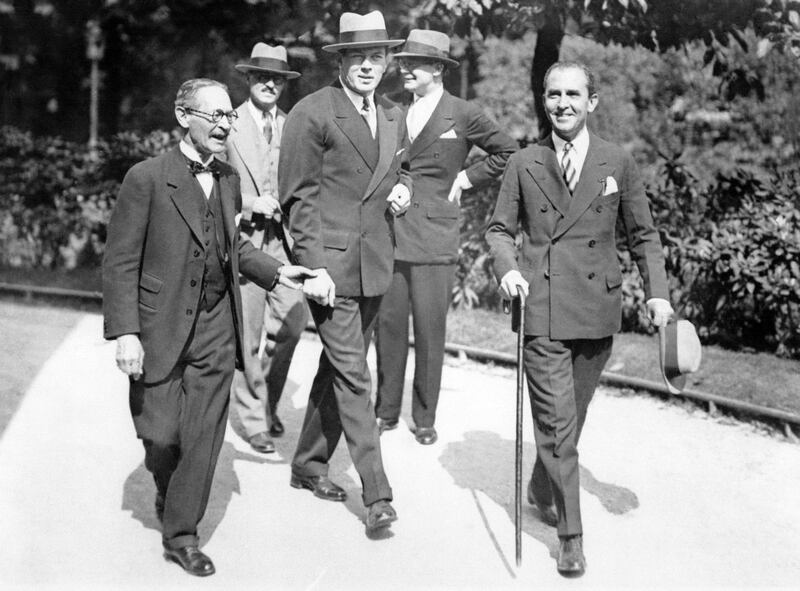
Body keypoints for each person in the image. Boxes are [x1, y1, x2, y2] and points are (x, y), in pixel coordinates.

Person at [103, 78, 314, 577]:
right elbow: (120, 261)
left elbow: (231, 246)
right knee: (160, 435)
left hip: (217, 326)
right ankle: (167, 486)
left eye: (228, 117)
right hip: (158, 326)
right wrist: (126, 332)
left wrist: (278, 271)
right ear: (183, 117)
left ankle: (182, 535)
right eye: (214, 116)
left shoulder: (228, 179)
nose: (224, 125)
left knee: (202, 437)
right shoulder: (146, 178)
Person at [485, 61, 674, 577]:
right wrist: (507, 269)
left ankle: (541, 485)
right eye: (554, 95)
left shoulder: (618, 161)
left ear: (592, 102)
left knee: (571, 417)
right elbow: (499, 230)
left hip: (595, 311)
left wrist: (657, 295)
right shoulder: (524, 162)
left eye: (573, 94)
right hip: (541, 309)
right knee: (557, 423)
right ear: (543, 100)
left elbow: (643, 234)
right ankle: (571, 538)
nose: (562, 104)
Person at [278, 10, 411, 534]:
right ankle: (377, 494)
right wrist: (313, 268)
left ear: (387, 62)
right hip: (329, 270)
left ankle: (308, 463)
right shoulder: (311, 113)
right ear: (341, 61)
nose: (367, 66)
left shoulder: (393, 114)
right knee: (355, 374)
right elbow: (298, 199)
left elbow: (399, 171)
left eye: (376, 57)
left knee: (338, 368)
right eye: (357, 57)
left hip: (375, 263)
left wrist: (403, 191)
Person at [374, 29, 517, 445]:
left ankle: (424, 418)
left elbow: (507, 151)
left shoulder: (462, 112)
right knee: (389, 327)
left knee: (430, 331)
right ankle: (385, 411)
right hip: (390, 231)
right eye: (403, 62)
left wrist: (468, 177)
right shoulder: (389, 106)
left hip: (435, 237)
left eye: (414, 63)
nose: (404, 69)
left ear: (437, 68)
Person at [227, 43, 309, 454]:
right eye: (262, 77)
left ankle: (267, 401)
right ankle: (254, 419)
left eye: (277, 78)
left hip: (284, 243)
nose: (269, 84)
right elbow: (211, 180)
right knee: (247, 335)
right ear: (248, 79)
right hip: (245, 242)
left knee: (293, 322)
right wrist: (247, 203)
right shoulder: (229, 123)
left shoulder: (293, 125)